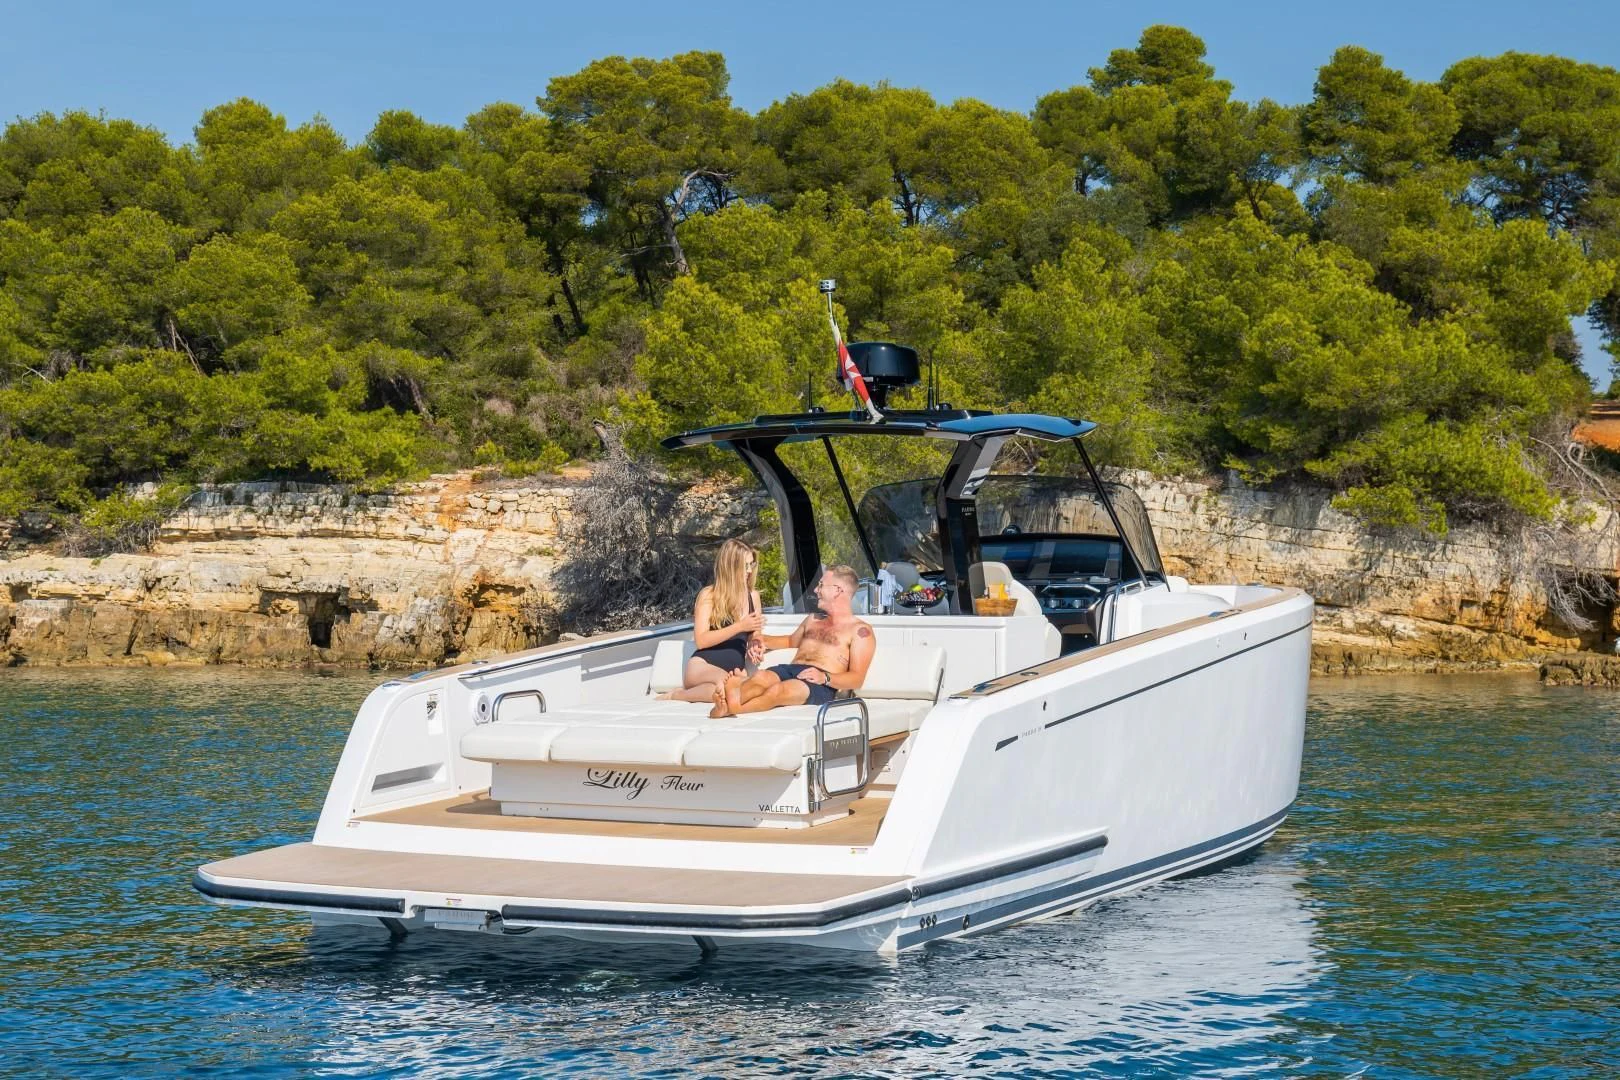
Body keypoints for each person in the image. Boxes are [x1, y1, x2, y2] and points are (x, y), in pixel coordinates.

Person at [710, 564, 876, 718]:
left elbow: (857, 678)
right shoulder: (812, 619)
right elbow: (790, 642)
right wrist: (758, 640)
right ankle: (728, 700)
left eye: (821, 585)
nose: (816, 590)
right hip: (791, 669)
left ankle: (731, 708)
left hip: (819, 683)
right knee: (761, 677)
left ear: (837, 590)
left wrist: (824, 677)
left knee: (778, 690)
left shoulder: (860, 631)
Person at [661, 539, 764, 702]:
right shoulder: (709, 595)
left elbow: (755, 633)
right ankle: (677, 695)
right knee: (730, 685)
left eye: (751, 564)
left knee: (728, 693)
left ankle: (682, 695)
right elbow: (701, 641)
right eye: (745, 566)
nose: (750, 570)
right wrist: (739, 626)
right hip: (702, 666)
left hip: (732, 671)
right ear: (730, 567)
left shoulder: (753, 597)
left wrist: (755, 643)